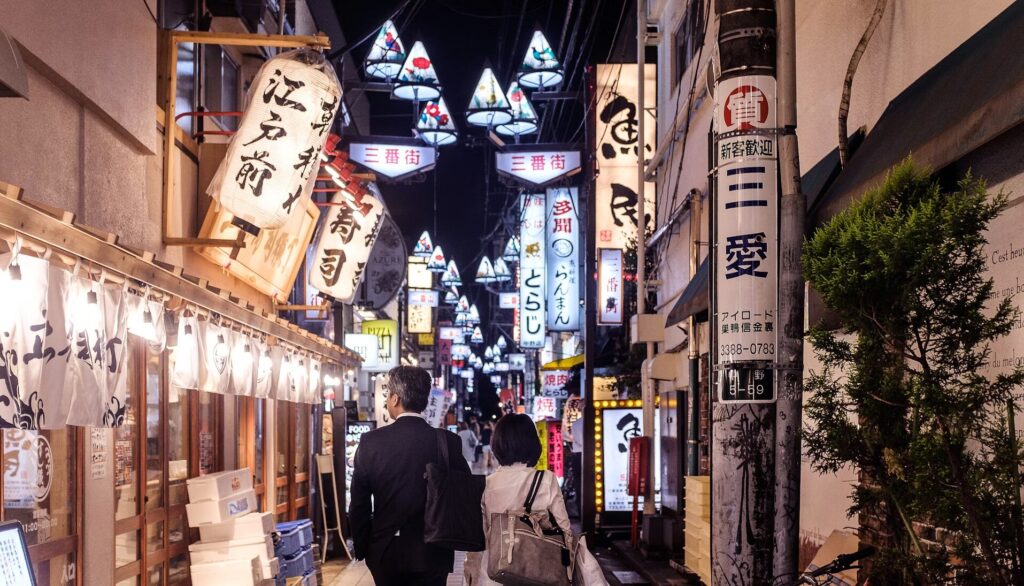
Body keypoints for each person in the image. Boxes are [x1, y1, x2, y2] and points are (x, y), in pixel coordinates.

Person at [349, 366, 469, 586]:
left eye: (387, 396)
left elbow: (359, 504)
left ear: (395, 398)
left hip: (386, 550)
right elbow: (463, 494)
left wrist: (363, 548)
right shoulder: (447, 442)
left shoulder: (371, 442)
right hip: (435, 549)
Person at [465, 414, 607, 585]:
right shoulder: (546, 479)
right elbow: (565, 529)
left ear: (498, 444)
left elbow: (480, 536)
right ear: (532, 443)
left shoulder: (486, 485)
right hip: (539, 569)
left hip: (495, 571)